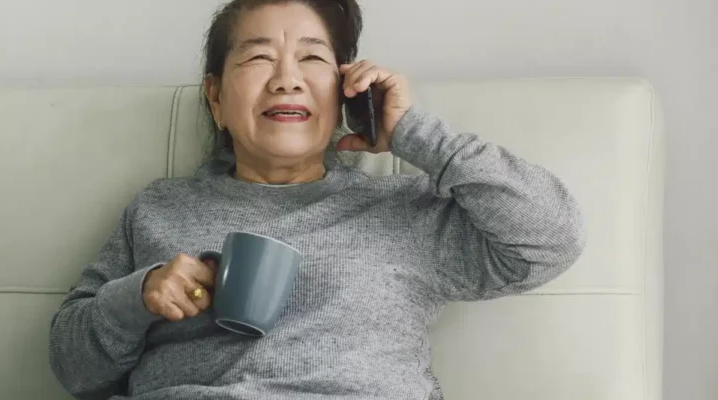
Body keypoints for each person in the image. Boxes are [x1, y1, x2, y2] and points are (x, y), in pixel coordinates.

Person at [48, 1, 586, 399]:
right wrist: (138, 295)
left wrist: (412, 132)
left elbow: (550, 240)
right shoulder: (159, 210)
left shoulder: (403, 211)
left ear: (345, 88)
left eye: (312, 59)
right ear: (215, 98)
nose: (287, 81)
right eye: (259, 58)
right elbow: (75, 368)